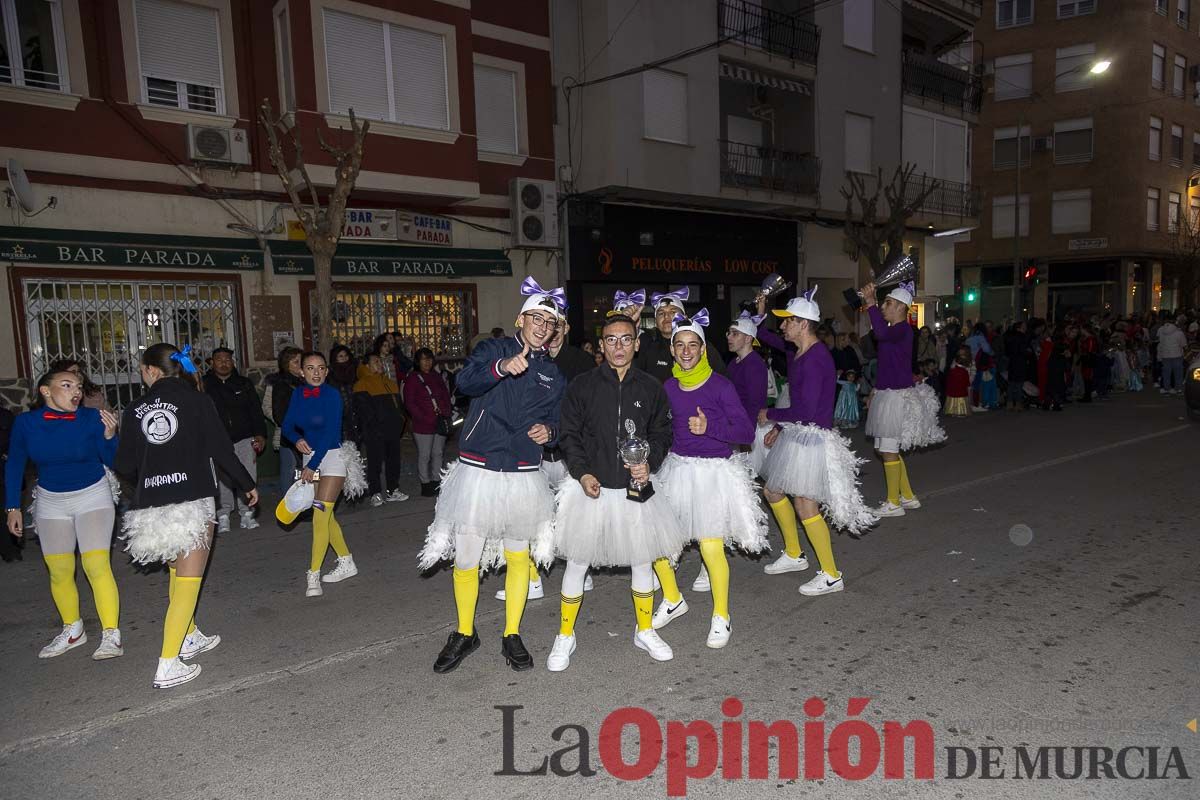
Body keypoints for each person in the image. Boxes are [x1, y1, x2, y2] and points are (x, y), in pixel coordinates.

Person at [419, 277, 566, 674]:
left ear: (553, 330)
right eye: (535, 317)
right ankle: (465, 632)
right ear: (521, 319)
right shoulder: (492, 349)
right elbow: (464, 383)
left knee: (519, 558)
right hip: (478, 469)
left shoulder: (553, 373)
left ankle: (512, 633)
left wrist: (549, 432)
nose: (541, 325)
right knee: (466, 559)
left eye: (549, 321)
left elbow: (558, 422)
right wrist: (501, 367)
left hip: (522, 473)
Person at [545, 313, 686, 672]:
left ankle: (644, 629)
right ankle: (565, 634)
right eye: (611, 339)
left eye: (626, 339)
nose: (618, 346)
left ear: (637, 343)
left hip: (636, 489)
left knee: (642, 560)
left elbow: (662, 434)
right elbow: (569, 434)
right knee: (577, 561)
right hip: (590, 488)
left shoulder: (652, 387)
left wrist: (649, 461)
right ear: (601, 344)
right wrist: (581, 472)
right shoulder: (581, 385)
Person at [114, 344, 258, 688]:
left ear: (151, 371)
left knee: (177, 575)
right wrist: (245, 484)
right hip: (192, 500)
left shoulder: (135, 409)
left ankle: (189, 635)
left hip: (151, 506)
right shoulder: (197, 400)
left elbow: (123, 466)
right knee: (190, 583)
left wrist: (150, 480)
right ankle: (167, 663)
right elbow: (221, 449)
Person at [651, 309, 765, 649]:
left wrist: (709, 428)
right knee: (656, 541)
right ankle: (672, 598)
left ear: (702, 349)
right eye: (680, 345)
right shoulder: (668, 387)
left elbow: (746, 431)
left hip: (713, 474)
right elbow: (662, 429)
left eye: (693, 345)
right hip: (677, 470)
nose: (686, 351)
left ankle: (721, 615)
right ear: (672, 350)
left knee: (710, 546)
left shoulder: (721, 385)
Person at [754, 288, 875, 595]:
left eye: (787, 322)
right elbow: (768, 339)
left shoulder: (815, 358)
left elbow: (806, 410)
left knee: (805, 504)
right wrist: (781, 427)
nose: (783, 327)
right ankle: (795, 554)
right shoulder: (800, 354)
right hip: (799, 432)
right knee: (772, 489)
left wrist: (771, 415)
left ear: (803, 324)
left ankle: (831, 574)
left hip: (812, 437)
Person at [6, 370, 122, 659]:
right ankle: (73, 630)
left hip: (93, 495)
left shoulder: (93, 418)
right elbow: (15, 465)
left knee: (96, 566)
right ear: (45, 391)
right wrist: (12, 508)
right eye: (67, 385)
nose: (76, 391)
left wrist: (109, 436)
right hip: (50, 501)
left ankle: (111, 635)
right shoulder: (26, 423)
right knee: (59, 571)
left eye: (79, 386)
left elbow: (115, 461)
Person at [494, 312, 597, 603]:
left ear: (565, 328)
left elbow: (585, 410)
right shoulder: (528, 358)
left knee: (573, 518)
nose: (551, 332)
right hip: (535, 456)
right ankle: (533, 577)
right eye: (546, 325)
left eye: (558, 325)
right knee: (529, 518)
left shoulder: (580, 361)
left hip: (569, 455)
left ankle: (582, 570)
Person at [283, 352, 367, 597]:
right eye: (310, 368)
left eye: (321, 368)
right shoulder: (298, 394)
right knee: (327, 517)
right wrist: (296, 439)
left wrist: (311, 466)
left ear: (327, 371)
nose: (316, 372)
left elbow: (331, 433)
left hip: (332, 459)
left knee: (320, 515)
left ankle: (313, 575)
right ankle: (346, 561)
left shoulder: (332, 395)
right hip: (310, 459)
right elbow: (287, 425)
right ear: (302, 372)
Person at [861, 281, 946, 518]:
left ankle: (893, 503)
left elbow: (880, 333)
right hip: (888, 393)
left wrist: (870, 304)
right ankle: (907, 496)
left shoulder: (902, 329)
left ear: (900, 306)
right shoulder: (895, 330)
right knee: (890, 450)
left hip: (895, 398)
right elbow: (888, 365)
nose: (884, 307)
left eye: (887, 303)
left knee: (888, 451)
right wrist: (875, 390)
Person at [202, 347, 267, 532]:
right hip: (217, 442)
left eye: (227, 359)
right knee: (222, 479)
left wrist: (260, 435)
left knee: (247, 474)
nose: (224, 363)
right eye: (219, 359)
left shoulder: (243, 383)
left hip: (244, 438)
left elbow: (256, 410)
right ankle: (223, 515)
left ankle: (247, 514)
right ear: (212, 363)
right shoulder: (205, 384)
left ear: (233, 362)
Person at [634, 288, 725, 382]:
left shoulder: (702, 347)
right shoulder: (646, 344)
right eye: (661, 313)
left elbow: (723, 381)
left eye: (673, 312)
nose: (666, 316)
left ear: (684, 317)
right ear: (655, 321)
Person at [353, 352, 407, 506]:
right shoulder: (362, 384)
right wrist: (375, 426)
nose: (380, 364)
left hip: (393, 429)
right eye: (376, 361)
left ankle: (392, 490)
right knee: (375, 463)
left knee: (394, 461)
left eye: (380, 361)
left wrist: (401, 421)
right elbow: (364, 410)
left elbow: (399, 406)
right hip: (375, 431)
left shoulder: (390, 383)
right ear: (367, 366)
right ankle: (375, 493)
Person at [403, 348, 452, 498]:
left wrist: (445, 412)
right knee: (425, 455)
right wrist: (425, 417)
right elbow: (410, 403)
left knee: (438, 453)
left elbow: (445, 395)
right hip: (423, 425)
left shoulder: (436, 376)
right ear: (418, 361)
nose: (427, 362)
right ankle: (425, 483)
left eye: (429, 359)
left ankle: (436, 481)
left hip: (439, 421)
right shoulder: (412, 378)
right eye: (423, 359)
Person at [264, 347, 304, 491]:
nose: (299, 364)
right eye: (295, 362)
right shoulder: (279, 384)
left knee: (309, 470)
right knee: (290, 469)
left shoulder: (307, 381)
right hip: (288, 435)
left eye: (301, 361)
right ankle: (289, 507)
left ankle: (310, 504)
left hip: (308, 434)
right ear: (286, 364)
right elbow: (271, 409)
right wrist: (284, 423)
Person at [328, 344, 363, 451]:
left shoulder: (356, 372)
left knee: (356, 449)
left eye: (346, 355)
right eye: (340, 356)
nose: (344, 358)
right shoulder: (330, 375)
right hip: (340, 417)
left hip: (357, 414)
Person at [1157, 317, 1188, 394]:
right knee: (1178, 373)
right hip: (1177, 354)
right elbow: (1183, 344)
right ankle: (1179, 389)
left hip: (1165, 355)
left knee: (1166, 373)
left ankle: (1166, 389)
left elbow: (1160, 343)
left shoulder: (1161, 331)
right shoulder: (1179, 333)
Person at [943, 350, 971, 417]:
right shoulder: (964, 371)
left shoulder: (952, 370)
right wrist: (968, 385)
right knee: (961, 398)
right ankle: (961, 411)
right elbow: (966, 381)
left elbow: (948, 380)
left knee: (952, 399)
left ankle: (951, 411)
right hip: (961, 389)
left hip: (952, 389)